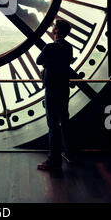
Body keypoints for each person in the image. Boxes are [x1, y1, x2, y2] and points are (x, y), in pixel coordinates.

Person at [36, 19, 74, 171]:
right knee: (64, 121)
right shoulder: (69, 47)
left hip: (51, 89)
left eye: (54, 27)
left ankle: (54, 160)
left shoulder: (50, 47)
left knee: (53, 126)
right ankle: (69, 153)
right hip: (64, 88)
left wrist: (47, 64)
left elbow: (39, 61)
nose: (52, 29)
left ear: (56, 31)